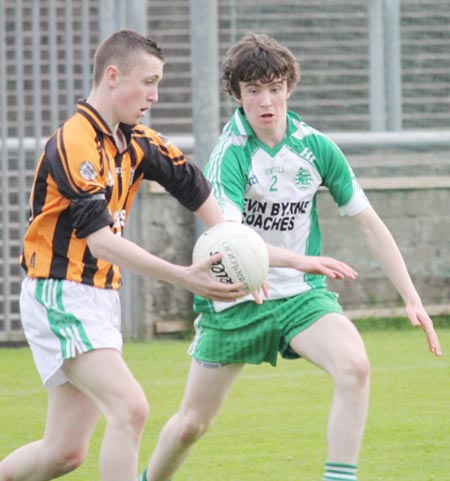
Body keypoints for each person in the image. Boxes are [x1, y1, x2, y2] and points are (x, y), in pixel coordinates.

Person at [139, 32, 442, 481]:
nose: (266, 101)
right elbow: (232, 237)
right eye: (254, 90)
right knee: (191, 425)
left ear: (289, 89)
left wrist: (412, 297)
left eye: (275, 88)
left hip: (300, 297)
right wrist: (301, 261)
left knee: (355, 365)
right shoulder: (231, 154)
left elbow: (370, 223)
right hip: (236, 297)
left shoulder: (315, 147)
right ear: (237, 95)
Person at [0, 29, 259, 481]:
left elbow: (191, 185)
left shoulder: (136, 139)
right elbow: (100, 241)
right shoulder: (74, 141)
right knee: (131, 407)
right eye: (149, 82)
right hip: (60, 294)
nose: (155, 96)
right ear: (113, 76)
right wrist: (185, 276)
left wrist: (238, 252)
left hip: (99, 297)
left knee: (64, 452)